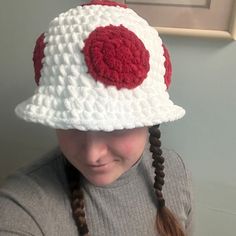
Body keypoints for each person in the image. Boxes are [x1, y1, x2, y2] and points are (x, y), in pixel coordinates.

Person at [0, 0, 193, 235]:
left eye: (114, 127)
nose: (93, 154)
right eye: (71, 124)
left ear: (149, 119)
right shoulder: (22, 205)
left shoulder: (175, 173)